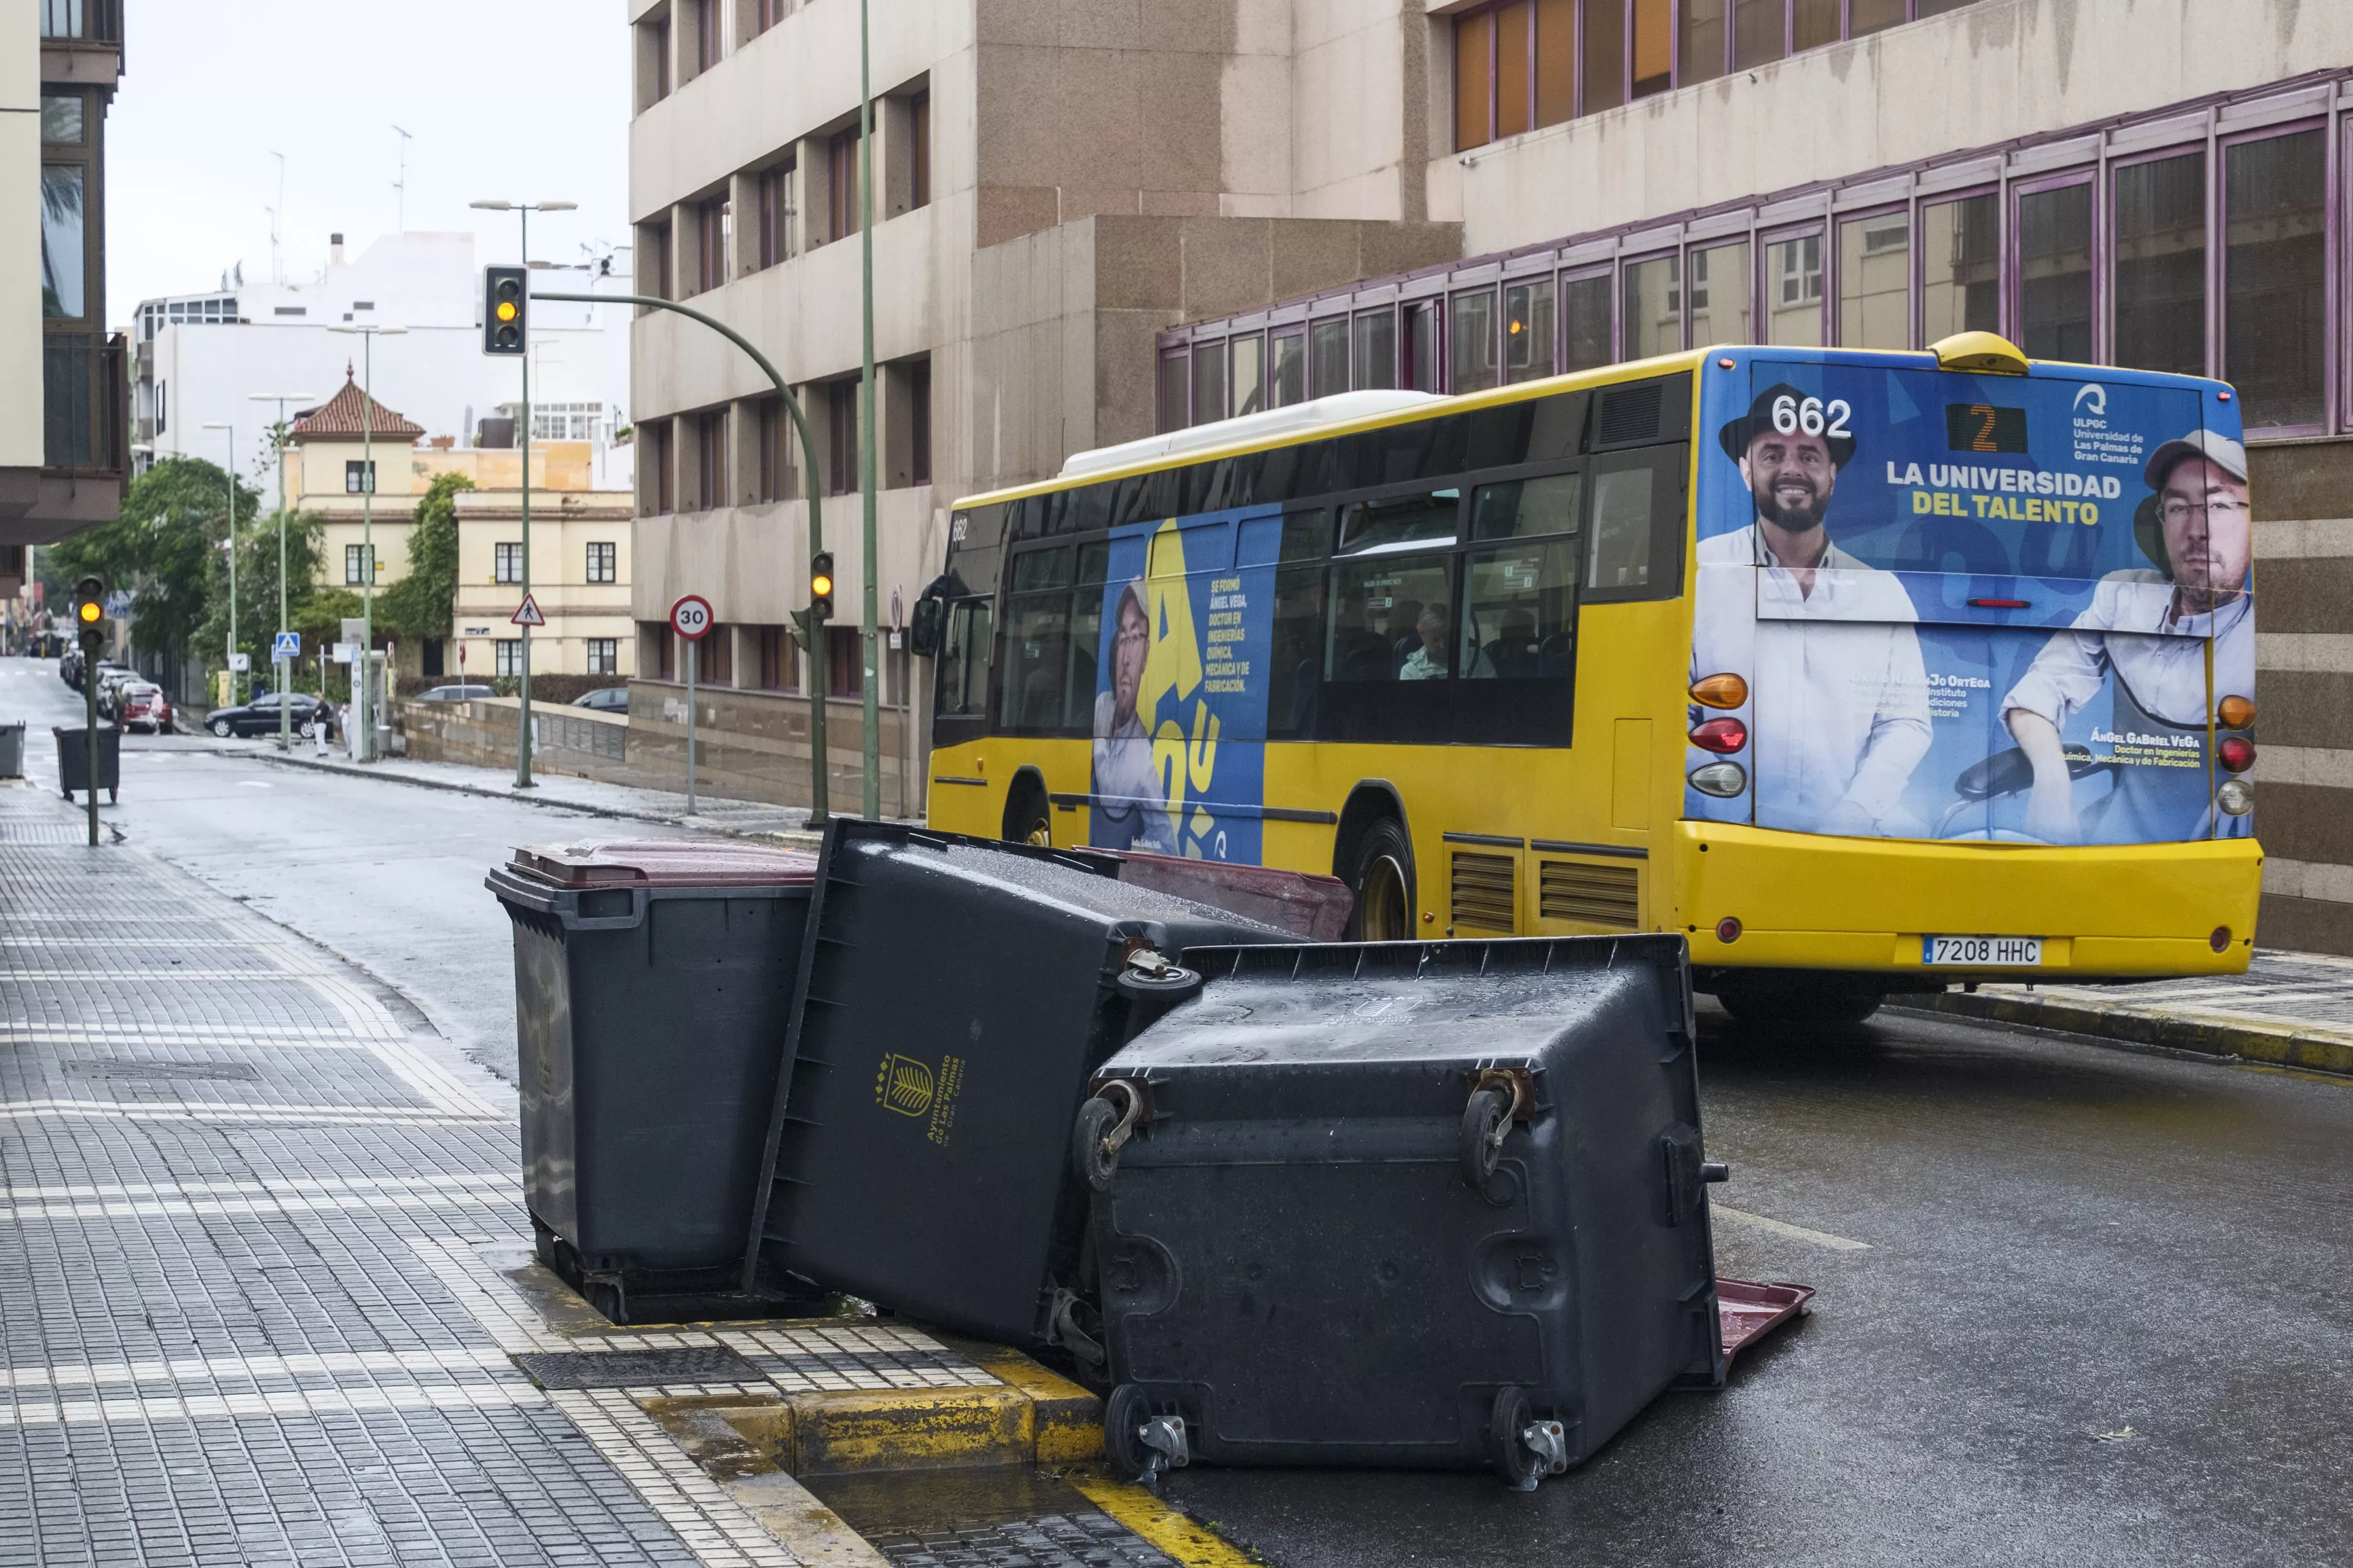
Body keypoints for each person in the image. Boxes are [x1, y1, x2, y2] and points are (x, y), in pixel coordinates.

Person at [1691, 384, 1932, 836]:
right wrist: (1732, 813)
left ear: (1832, 473)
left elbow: (1907, 724)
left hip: (1850, 844)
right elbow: (1671, 714)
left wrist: (1853, 816)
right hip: (1726, 838)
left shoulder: (1883, 594)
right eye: (1772, 454)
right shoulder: (1700, 573)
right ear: (1746, 470)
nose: (1792, 469)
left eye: (1809, 455)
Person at [2000, 429, 2254, 843]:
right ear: (2161, 523)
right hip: (2106, 841)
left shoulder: (2261, 644)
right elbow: (2039, 689)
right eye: (2178, 507)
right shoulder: (2124, 595)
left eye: (2220, 505)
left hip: (2201, 862)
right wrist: (2051, 781)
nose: (2197, 530)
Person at [1090, 578, 1175, 853]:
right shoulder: (1101, 708)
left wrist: (1139, 851)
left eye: (1136, 639)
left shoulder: (1143, 760)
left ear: (1146, 654)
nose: (1126, 658)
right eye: (1123, 639)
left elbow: (1169, 846)